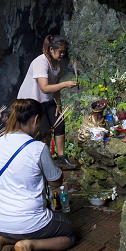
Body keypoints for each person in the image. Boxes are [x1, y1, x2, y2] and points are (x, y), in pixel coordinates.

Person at [0, 99, 76, 251]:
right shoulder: (38, 148)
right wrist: (45, 147)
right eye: (40, 121)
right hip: (29, 221)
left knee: (17, 227)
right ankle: (29, 245)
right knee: (70, 233)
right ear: (35, 120)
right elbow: (56, 181)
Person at [17, 35, 78, 167]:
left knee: (59, 123)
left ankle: (61, 157)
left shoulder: (57, 63)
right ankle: (43, 161)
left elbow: (55, 84)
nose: (62, 54)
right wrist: (65, 84)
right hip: (32, 101)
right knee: (44, 131)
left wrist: (59, 103)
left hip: (47, 99)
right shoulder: (41, 62)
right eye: (60, 51)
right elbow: (44, 88)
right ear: (51, 49)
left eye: (64, 52)